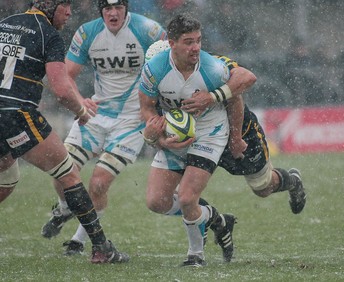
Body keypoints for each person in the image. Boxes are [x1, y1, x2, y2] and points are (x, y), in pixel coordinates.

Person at [144, 40, 307, 262]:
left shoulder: (209, 65)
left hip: (235, 132)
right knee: (163, 199)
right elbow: (149, 121)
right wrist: (157, 139)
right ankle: (214, 223)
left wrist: (236, 137)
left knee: (263, 187)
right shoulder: (152, 77)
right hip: (194, 140)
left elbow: (239, 89)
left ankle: (292, 181)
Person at [0, 0, 129, 263]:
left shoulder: (4, 24)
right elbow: (61, 89)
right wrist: (81, 111)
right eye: (65, 5)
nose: (69, 12)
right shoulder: (49, 34)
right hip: (16, 116)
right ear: (48, 5)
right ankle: (101, 247)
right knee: (68, 174)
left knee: (6, 173)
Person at [39, 0, 167, 256]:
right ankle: (65, 208)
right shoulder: (87, 32)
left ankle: (78, 240)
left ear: (126, 8)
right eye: (107, 8)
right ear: (100, 10)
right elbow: (67, 75)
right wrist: (80, 101)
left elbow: (168, 66)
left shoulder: (149, 31)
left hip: (131, 120)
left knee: (98, 184)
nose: (113, 13)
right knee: (60, 172)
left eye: (118, 7)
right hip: (95, 114)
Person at [139, 14, 247, 267]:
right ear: (172, 43)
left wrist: (236, 137)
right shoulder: (154, 69)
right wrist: (158, 136)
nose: (196, 47)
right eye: (188, 42)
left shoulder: (213, 69)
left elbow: (236, 98)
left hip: (209, 132)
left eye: (198, 40)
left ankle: (195, 255)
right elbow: (146, 108)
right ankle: (215, 218)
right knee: (157, 202)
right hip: (175, 135)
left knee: (187, 198)